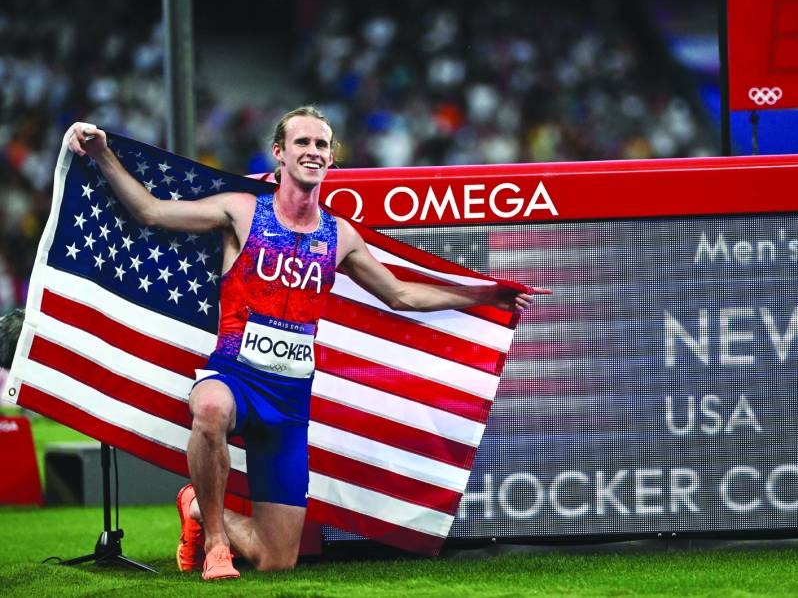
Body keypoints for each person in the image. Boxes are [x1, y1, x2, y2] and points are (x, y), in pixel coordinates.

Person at [66, 106, 547, 580]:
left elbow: (400, 295)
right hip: (235, 376)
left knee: (279, 560)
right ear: (279, 153)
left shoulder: (339, 235)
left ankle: (195, 508)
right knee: (209, 407)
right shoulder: (242, 210)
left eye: (321, 144)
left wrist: (483, 294)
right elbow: (150, 211)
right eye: (302, 142)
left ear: (331, 158)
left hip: (289, 405)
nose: (313, 151)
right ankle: (216, 545)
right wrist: (105, 154)